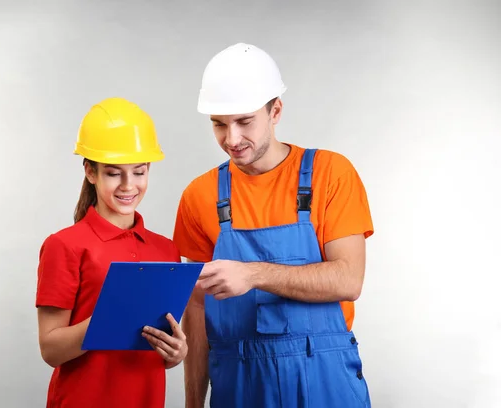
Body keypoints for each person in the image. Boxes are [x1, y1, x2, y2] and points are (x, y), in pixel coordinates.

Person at [173, 43, 374, 407]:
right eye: (219, 125)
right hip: (239, 384)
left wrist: (253, 274)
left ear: (275, 110)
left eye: (244, 121)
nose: (231, 139)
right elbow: (197, 308)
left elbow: (348, 279)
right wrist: (192, 403)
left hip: (325, 381)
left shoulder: (331, 174)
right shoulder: (198, 196)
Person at [35, 97, 188, 408]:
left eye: (139, 172)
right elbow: (51, 350)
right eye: (114, 173)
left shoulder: (166, 250)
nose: (128, 185)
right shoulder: (64, 245)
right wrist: (109, 319)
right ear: (91, 172)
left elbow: (158, 339)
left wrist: (176, 352)